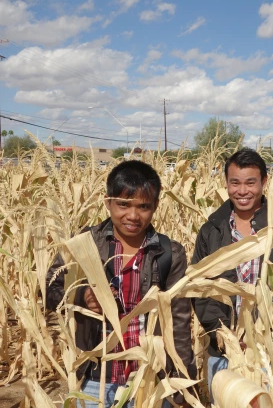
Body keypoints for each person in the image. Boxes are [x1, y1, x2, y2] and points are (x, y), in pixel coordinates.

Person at [45, 160, 195, 408]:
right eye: (123, 205)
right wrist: (80, 296)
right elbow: (50, 292)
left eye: (143, 207)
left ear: (155, 206)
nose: (133, 216)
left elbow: (178, 323)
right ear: (108, 203)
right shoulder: (83, 245)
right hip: (94, 378)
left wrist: (182, 385)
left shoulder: (169, 253)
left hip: (149, 377)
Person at [192, 148, 273, 398]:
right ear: (226, 183)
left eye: (251, 182)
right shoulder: (211, 231)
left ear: (264, 182)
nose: (242, 191)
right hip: (225, 354)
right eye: (235, 183)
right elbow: (200, 288)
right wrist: (221, 331)